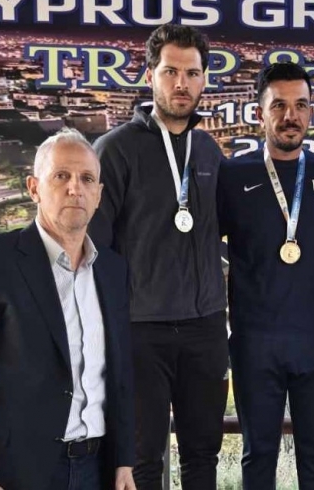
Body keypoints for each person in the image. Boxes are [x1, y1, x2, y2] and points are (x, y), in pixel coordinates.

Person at [88, 24, 228, 490]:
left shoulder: (208, 150)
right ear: (150, 75)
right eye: (170, 71)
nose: (181, 83)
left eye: (192, 73)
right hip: (140, 331)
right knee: (142, 461)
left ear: (204, 79)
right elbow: (95, 250)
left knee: (203, 456)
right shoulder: (115, 150)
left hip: (206, 328)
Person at [218, 62, 314, 490]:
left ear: (311, 112)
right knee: (258, 457)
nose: (291, 116)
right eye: (279, 106)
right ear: (260, 113)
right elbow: (205, 243)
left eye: (301, 105)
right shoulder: (233, 175)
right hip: (255, 344)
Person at [0, 129, 135, 490]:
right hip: (18, 472)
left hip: (97, 468)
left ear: (99, 195)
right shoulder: (0, 261)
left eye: (86, 179)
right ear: (34, 188)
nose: (75, 188)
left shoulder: (113, 270)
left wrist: (123, 462)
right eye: (61, 176)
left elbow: (118, 375)